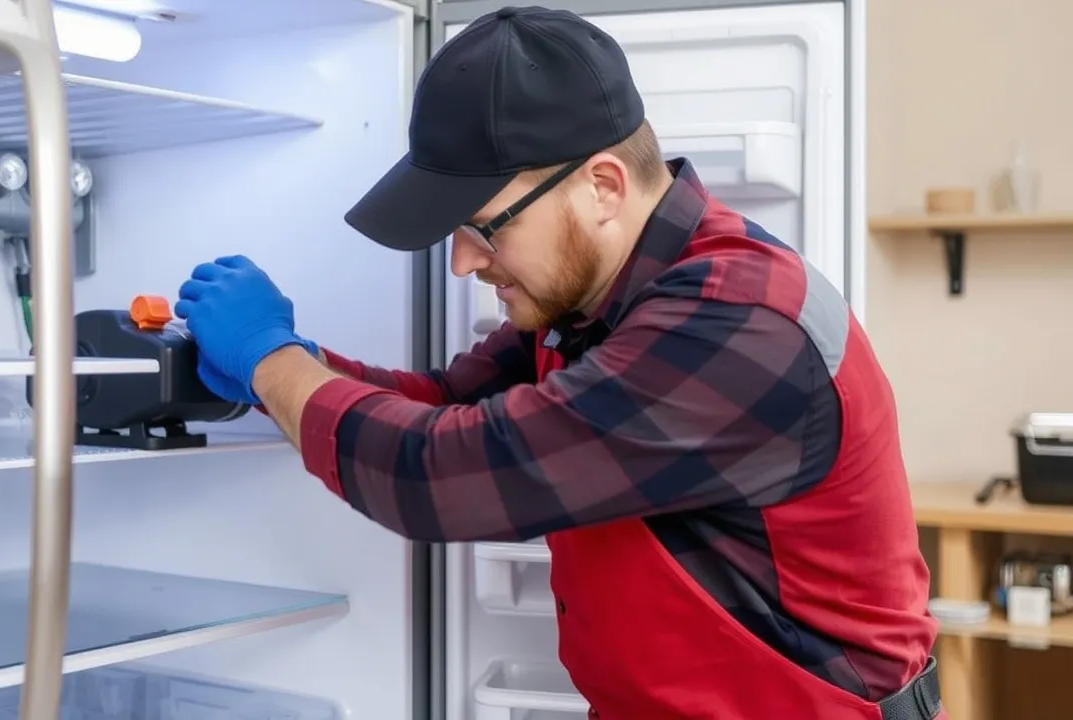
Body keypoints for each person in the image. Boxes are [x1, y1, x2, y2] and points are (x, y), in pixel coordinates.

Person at [173, 6, 944, 720]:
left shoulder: (739, 323)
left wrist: (271, 361)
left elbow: (438, 473)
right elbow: (445, 407)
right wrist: (286, 367)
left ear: (602, 186)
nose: (464, 264)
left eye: (482, 227)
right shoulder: (593, 304)